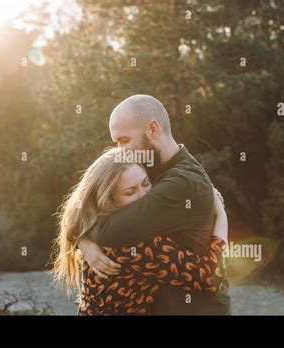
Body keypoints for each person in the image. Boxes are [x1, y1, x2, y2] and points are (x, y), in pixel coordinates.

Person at [77, 94, 231, 314]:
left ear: (152, 129)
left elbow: (109, 231)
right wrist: (83, 240)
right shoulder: (153, 171)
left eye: (124, 140)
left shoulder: (180, 183)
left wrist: (82, 234)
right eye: (117, 143)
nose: (120, 151)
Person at [52, 147, 228, 315]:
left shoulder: (95, 223)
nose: (145, 195)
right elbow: (207, 278)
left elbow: (75, 221)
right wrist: (220, 214)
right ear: (108, 200)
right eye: (131, 192)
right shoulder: (133, 244)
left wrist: (83, 240)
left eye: (146, 183)